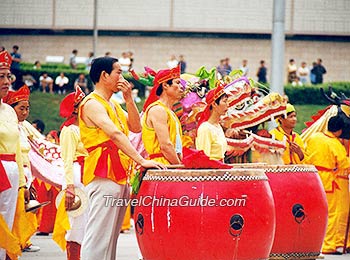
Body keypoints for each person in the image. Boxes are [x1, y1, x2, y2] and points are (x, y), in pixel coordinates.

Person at [79, 56, 164, 259]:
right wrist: (141, 161)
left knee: (110, 237)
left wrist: (128, 98)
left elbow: (135, 127)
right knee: (99, 236)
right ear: (104, 75)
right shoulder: (91, 103)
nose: (122, 76)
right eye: (118, 71)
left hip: (118, 172)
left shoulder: (114, 105)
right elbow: (115, 134)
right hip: (103, 172)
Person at [3, 85, 40, 253]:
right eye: (21, 108)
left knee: (18, 211)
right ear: (12, 108)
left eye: (27, 108)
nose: (25, 112)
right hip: (9, 168)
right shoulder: (11, 124)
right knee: (11, 211)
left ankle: (20, 242)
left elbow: (40, 142)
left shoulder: (23, 126)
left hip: (22, 170)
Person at [305, 116, 350, 255]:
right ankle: (329, 245)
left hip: (314, 178)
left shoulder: (315, 137)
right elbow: (344, 164)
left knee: (319, 213)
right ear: (339, 130)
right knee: (333, 214)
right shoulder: (335, 143)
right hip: (330, 180)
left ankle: (326, 242)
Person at [53, 86, 88, 260]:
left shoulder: (87, 127)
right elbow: (66, 160)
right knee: (76, 222)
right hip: (76, 174)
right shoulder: (69, 130)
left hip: (88, 172)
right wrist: (69, 187)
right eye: (83, 103)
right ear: (75, 108)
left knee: (87, 221)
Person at [0, 50, 27, 260]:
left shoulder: (9, 111)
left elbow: (17, 148)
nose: (6, 81)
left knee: (7, 220)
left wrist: (23, 183)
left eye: (8, 76)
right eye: (1, 76)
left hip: (11, 171)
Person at [142, 65, 184, 165]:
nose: (182, 86)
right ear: (165, 85)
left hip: (169, 164)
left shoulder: (170, 112)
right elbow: (165, 146)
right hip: (161, 165)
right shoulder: (158, 110)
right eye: (177, 83)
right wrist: (179, 167)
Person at [196, 84, 229, 161]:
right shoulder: (205, 128)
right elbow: (203, 159)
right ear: (214, 104)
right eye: (224, 101)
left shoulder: (218, 126)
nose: (228, 104)